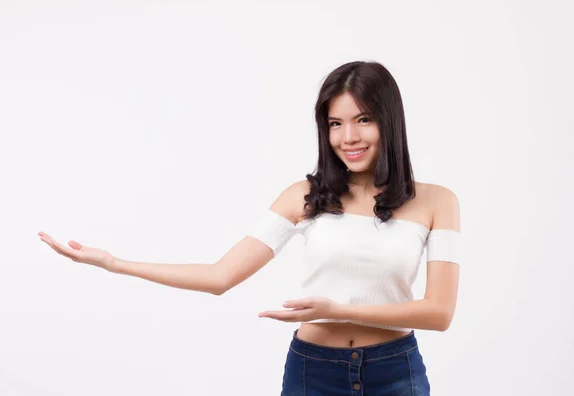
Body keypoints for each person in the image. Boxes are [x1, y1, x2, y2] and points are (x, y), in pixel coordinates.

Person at [39, 60, 461, 396]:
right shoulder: (305, 196)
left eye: (362, 119)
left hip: (394, 373)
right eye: (335, 123)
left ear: (389, 120)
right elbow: (219, 277)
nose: (347, 136)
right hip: (312, 372)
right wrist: (114, 263)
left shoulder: (436, 202)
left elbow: (439, 313)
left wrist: (338, 309)